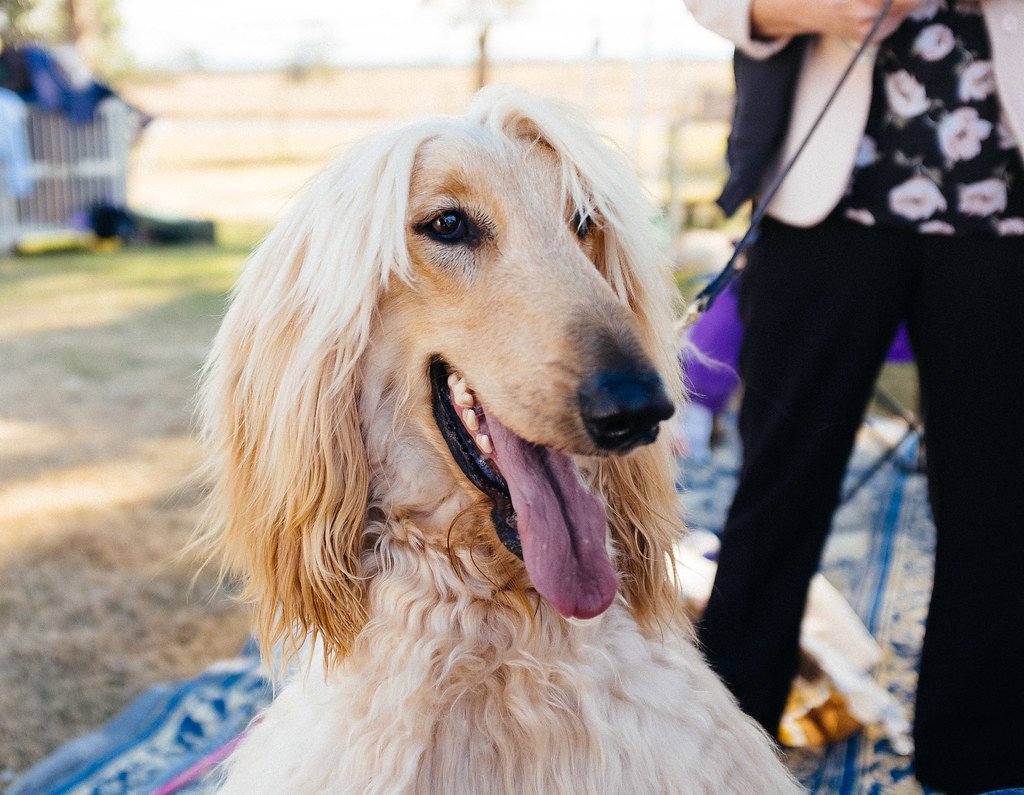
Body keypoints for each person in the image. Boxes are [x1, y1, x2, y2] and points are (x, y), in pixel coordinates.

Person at [680, 0, 1024, 791]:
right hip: (824, 200)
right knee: (777, 485)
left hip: (1004, 206)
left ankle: (979, 757)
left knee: (996, 500)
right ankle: (722, 745)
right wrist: (792, 6)